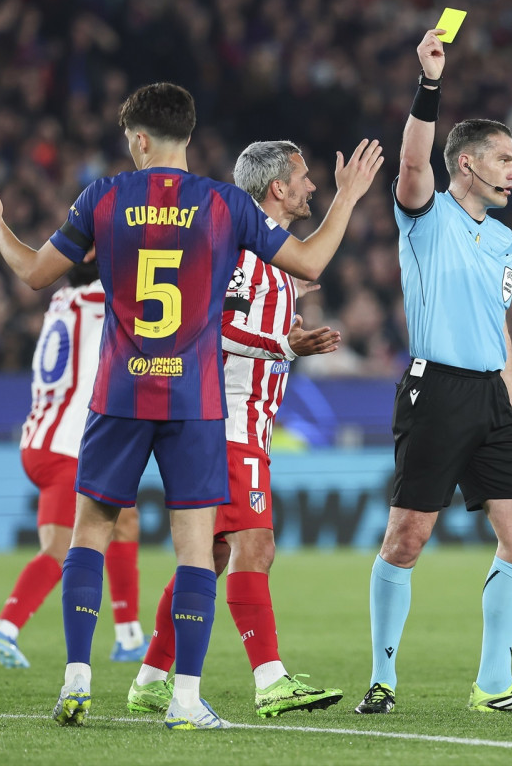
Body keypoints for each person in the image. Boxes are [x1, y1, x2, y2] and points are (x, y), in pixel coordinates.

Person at [0, 81, 383, 730]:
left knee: (90, 536)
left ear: (137, 139)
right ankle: (186, 700)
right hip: (194, 399)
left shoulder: (103, 196)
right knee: (196, 551)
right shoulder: (222, 203)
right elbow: (310, 256)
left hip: (120, 393)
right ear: (186, 136)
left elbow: (33, 274)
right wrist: (350, 196)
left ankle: (76, 679)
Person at [354, 29, 512, 716]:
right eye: (504, 159)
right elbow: (415, 161)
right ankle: (383, 676)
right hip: (435, 389)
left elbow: (498, 330)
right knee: (407, 537)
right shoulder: (427, 213)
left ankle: (494, 684)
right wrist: (430, 83)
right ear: (466, 165)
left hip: (488, 398)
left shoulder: (503, 238)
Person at [127, 140, 347, 718]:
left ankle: (150, 677)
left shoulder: (266, 261)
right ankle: (272, 680)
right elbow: (212, 327)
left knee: (215, 552)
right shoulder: (245, 255)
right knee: (256, 546)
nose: (311, 187)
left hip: (241, 421)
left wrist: (285, 326)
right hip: (228, 422)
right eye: (303, 178)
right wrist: (283, 341)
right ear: (276, 188)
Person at [0, 253, 149, 670]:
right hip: (70, 445)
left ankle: (128, 635)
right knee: (61, 548)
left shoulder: (61, 301)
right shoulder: (104, 297)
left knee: (125, 519)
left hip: (39, 439)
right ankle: (5, 627)